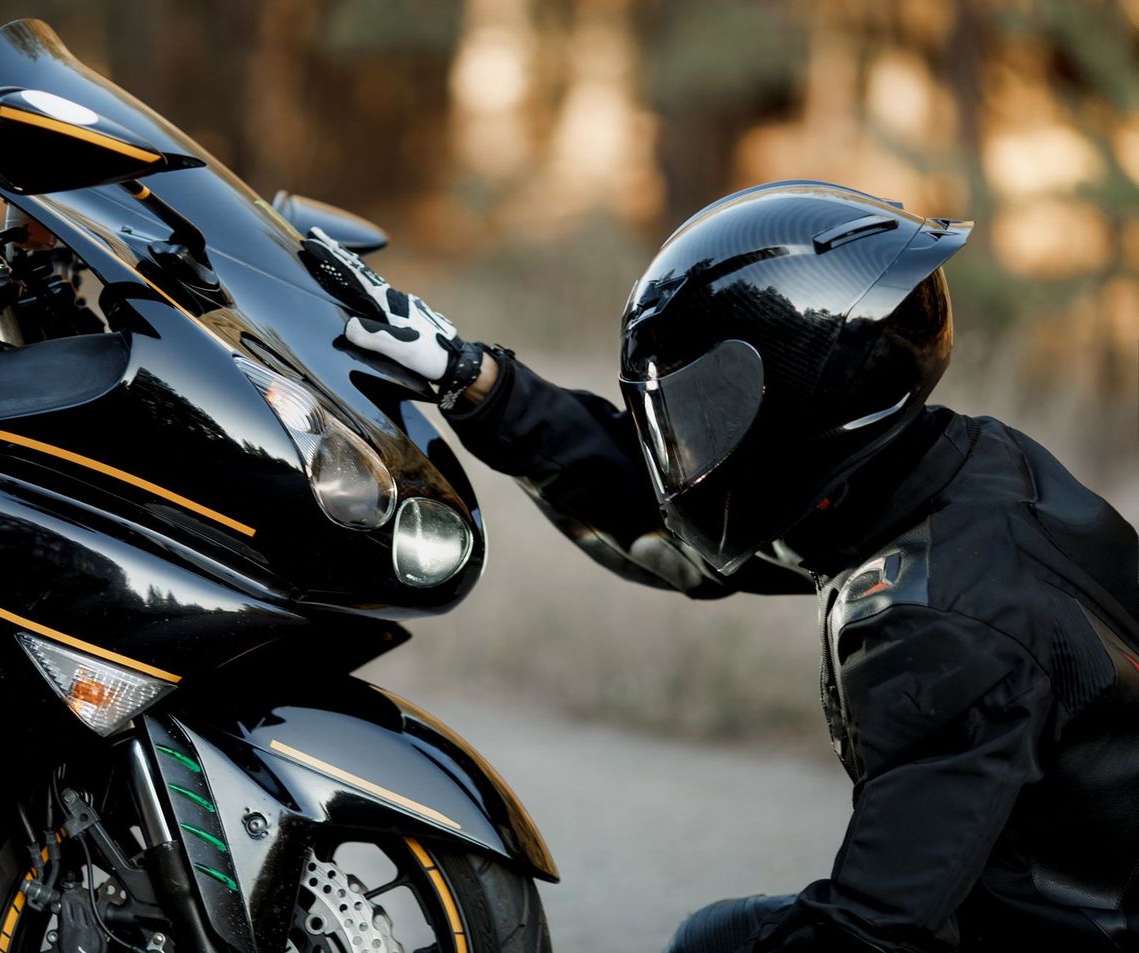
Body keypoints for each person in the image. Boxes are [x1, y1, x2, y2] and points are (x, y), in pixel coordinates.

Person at [299, 180, 1139, 952]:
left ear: (800, 401)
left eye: (708, 408)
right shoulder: (948, 481)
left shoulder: (945, 624)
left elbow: (871, 932)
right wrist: (475, 382)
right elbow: (688, 529)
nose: (689, 443)